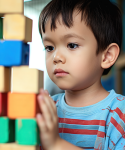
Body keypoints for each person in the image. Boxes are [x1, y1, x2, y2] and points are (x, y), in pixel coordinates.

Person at [36, 0, 125, 150]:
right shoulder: (47, 109)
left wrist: (56, 144)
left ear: (107, 56)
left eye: (72, 45)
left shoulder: (119, 114)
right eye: (49, 47)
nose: (56, 57)